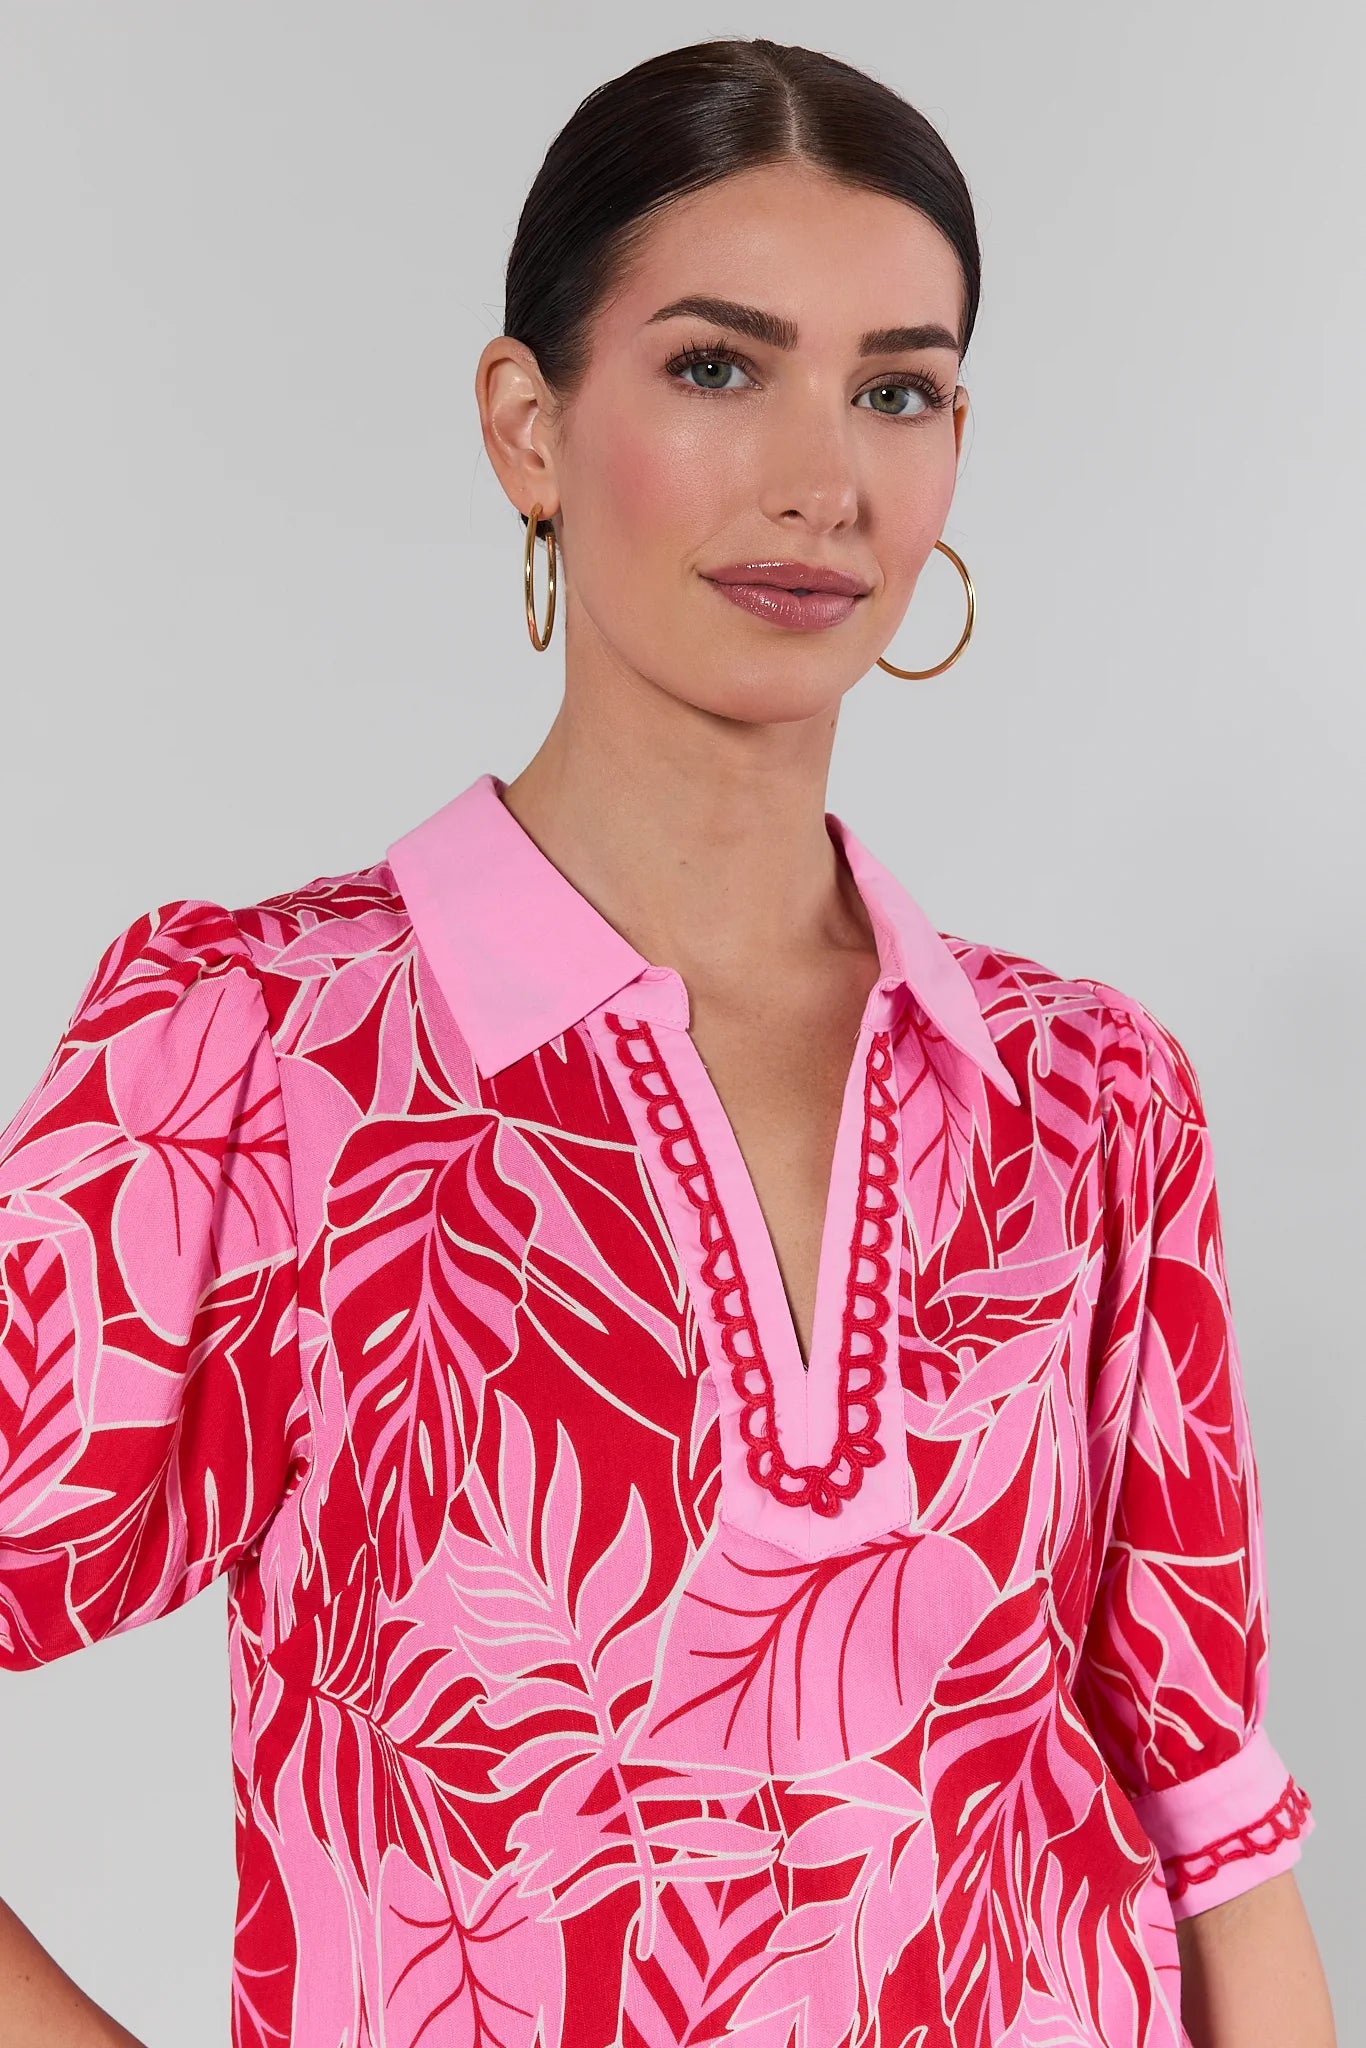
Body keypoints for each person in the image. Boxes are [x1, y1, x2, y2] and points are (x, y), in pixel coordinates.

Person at [0, 35, 1336, 2048]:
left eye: (897, 385)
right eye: (718, 366)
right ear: (526, 427)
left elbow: (1212, 1826)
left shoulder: (1085, 1094)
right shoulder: (261, 1058)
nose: (820, 476)